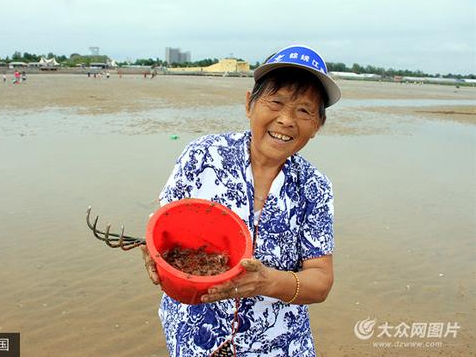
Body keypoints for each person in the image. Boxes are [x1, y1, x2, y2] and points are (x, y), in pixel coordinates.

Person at [141, 44, 341, 357]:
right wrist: (153, 258)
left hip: (278, 345)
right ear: (250, 104)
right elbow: (163, 229)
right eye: (276, 102)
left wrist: (267, 282)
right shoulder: (203, 155)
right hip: (195, 340)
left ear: (317, 126)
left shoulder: (314, 188)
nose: (286, 120)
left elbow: (321, 281)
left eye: (304, 110)